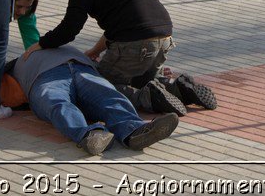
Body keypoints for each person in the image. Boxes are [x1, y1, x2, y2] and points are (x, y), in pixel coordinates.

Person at [22, 0, 217, 116]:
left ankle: (147, 97)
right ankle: (179, 88)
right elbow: (118, 26)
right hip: (164, 37)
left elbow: (70, 27)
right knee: (139, 79)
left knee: (97, 86)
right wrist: (94, 52)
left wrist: (42, 44)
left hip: (136, 43)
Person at [13, 45, 179, 155]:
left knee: (108, 95)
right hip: (44, 76)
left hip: (82, 66)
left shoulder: (49, 46)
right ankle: (89, 134)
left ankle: (134, 130)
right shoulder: (14, 65)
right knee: (57, 102)